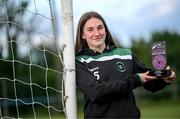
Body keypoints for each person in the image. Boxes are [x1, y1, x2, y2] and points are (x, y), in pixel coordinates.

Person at [75, 11, 176, 119]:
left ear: (105, 29)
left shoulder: (125, 55)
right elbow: (96, 93)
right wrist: (136, 80)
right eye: (90, 29)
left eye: (100, 28)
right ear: (82, 35)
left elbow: (148, 80)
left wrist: (163, 79)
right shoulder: (80, 61)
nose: (97, 33)